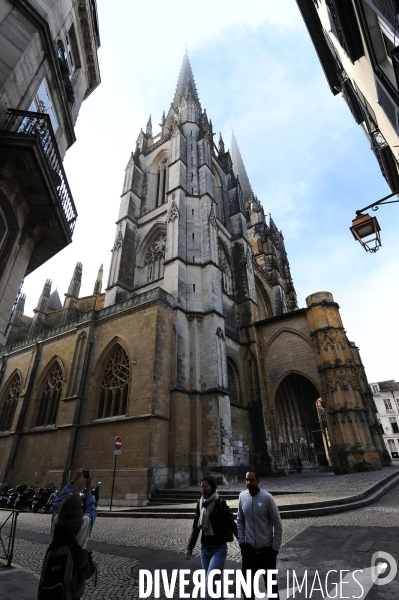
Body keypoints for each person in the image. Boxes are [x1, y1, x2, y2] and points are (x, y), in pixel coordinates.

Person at [185, 475, 237, 599]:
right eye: (201, 487)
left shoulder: (220, 503)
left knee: (210, 583)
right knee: (211, 586)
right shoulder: (200, 503)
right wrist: (190, 547)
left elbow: (232, 524)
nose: (202, 490)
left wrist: (243, 544)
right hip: (205, 549)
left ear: (212, 487)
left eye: (205, 487)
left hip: (219, 549)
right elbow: (196, 527)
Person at [51, 468, 97, 599]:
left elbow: (56, 503)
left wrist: (72, 481)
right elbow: (92, 508)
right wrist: (88, 489)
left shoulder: (56, 522)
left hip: (54, 570)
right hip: (75, 574)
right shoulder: (83, 524)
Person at [237, 468, 282, 600]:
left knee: (272, 591)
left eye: (251, 479)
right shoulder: (242, 496)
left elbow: (277, 523)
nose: (248, 482)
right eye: (247, 479)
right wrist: (241, 543)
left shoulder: (267, 498)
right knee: (246, 589)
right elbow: (240, 520)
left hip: (266, 551)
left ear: (258, 481)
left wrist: (274, 550)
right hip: (249, 550)